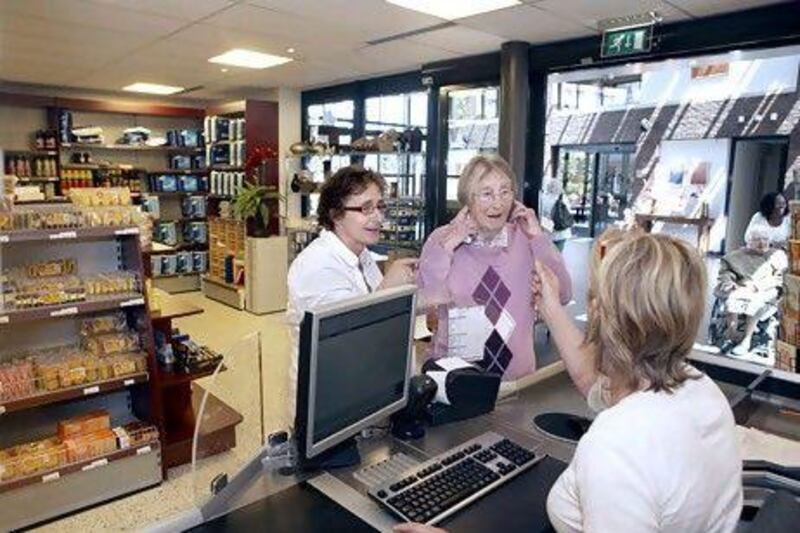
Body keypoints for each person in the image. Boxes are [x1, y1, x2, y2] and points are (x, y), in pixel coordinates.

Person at [395, 230, 742, 533]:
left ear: (605, 319)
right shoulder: (702, 391)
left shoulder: (616, 446)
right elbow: (596, 383)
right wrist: (550, 308)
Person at [417, 154, 572, 380]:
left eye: (505, 192)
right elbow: (423, 301)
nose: (497, 203)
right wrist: (449, 245)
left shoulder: (527, 238)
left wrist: (539, 238)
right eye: (486, 194)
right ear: (467, 199)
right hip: (455, 381)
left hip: (517, 380)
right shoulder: (441, 239)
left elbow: (564, 295)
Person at [286, 165, 417, 415]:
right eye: (365, 208)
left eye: (380, 206)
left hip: (362, 384)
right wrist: (389, 288)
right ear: (336, 215)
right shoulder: (316, 267)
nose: (378, 217)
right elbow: (349, 338)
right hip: (326, 399)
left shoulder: (362, 254)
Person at [711, 227, 787, 356]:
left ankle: (746, 340)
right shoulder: (735, 256)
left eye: (765, 239)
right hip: (742, 287)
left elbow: (780, 277)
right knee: (732, 298)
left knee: (756, 302)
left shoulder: (777, 255)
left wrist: (758, 286)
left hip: (767, 289)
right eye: (757, 240)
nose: (762, 243)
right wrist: (729, 282)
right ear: (748, 241)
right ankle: (732, 334)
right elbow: (726, 272)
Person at [539, 177, 572, 251]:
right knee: (558, 254)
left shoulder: (544, 198)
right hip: (561, 231)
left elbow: (541, 214)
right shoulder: (563, 199)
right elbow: (568, 213)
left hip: (548, 230)